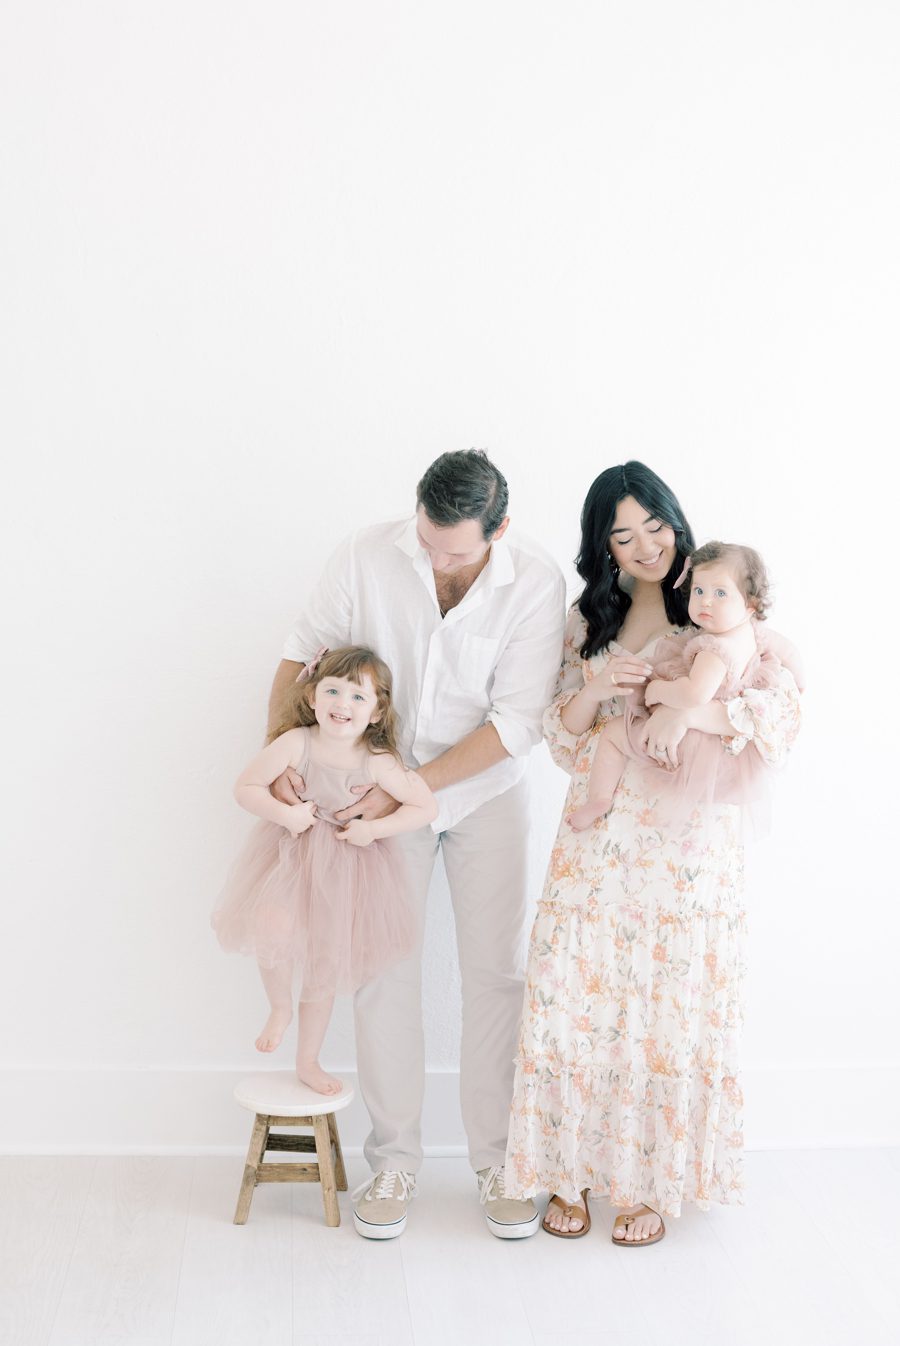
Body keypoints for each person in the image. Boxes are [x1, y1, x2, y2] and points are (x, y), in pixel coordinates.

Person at [267, 450, 566, 1238]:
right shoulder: (365, 553)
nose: (436, 562)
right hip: (372, 797)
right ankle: (394, 1161)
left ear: (500, 529)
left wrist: (411, 785)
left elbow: (516, 722)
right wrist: (282, 757)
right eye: (428, 543)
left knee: (496, 975)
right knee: (382, 975)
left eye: (455, 552)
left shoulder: (536, 581)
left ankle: (499, 1161)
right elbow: (301, 652)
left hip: (483, 793)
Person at [505, 462, 802, 1246]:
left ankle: (648, 1182)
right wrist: (599, 687)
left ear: (676, 521)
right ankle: (568, 1171)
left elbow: (777, 716)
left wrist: (685, 713)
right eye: (623, 535)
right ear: (602, 546)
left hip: (685, 845)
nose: (644, 546)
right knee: (573, 992)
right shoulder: (585, 618)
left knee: (663, 1004)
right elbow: (559, 734)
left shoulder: (715, 600)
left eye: (655, 526)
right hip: (597, 836)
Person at [213, 646, 437, 1095]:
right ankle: (279, 1007)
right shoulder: (296, 743)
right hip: (290, 857)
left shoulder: (378, 760)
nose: (342, 704)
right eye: (332, 691)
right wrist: (286, 814)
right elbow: (246, 787)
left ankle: (308, 1060)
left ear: (376, 712)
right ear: (313, 697)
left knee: (324, 962)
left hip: (349, 868)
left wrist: (374, 829)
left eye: (358, 696)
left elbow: (425, 806)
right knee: (270, 923)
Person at [567, 539, 803, 831]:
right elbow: (791, 653)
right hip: (726, 747)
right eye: (699, 591)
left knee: (614, 734)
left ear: (750, 604)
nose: (706, 601)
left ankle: (598, 800)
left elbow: (695, 693)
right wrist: (800, 682)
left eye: (720, 593)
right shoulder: (755, 635)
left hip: (692, 742)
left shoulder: (713, 649)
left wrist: (657, 691)